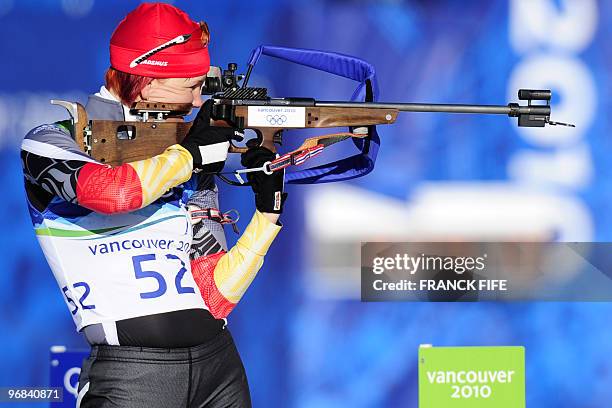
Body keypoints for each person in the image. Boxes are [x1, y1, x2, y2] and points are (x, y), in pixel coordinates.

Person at [20, 3, 286, 407]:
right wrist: (190, 157)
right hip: (133, 375)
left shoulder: (178, 160)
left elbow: (214, 297)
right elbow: (113, 194)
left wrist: (267, 213)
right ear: (146, 83)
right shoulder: (49, 141)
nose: (199, 101)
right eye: (191, 86)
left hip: (219, 367)